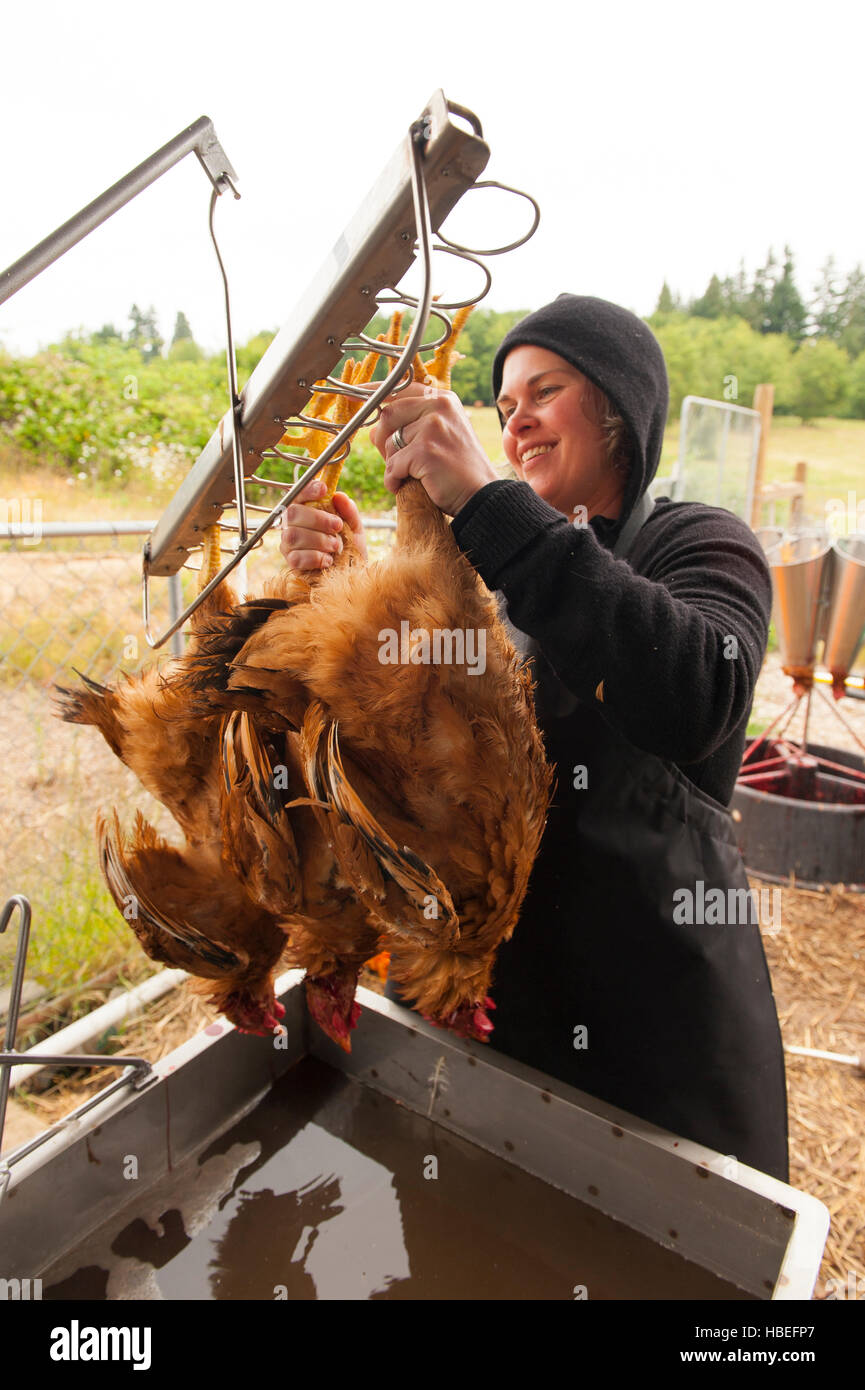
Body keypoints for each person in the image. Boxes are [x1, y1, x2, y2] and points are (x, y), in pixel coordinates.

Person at [280, 294, 789, 1183]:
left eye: (544, 392)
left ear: (620, 412)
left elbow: (692, 689)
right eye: (504, 408)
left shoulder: (700, 543)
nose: (518, 422)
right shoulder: (483, 577)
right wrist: (329, 587)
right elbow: (390, 757)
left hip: (648, 1047)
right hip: (483, 1014)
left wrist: (486, 500)